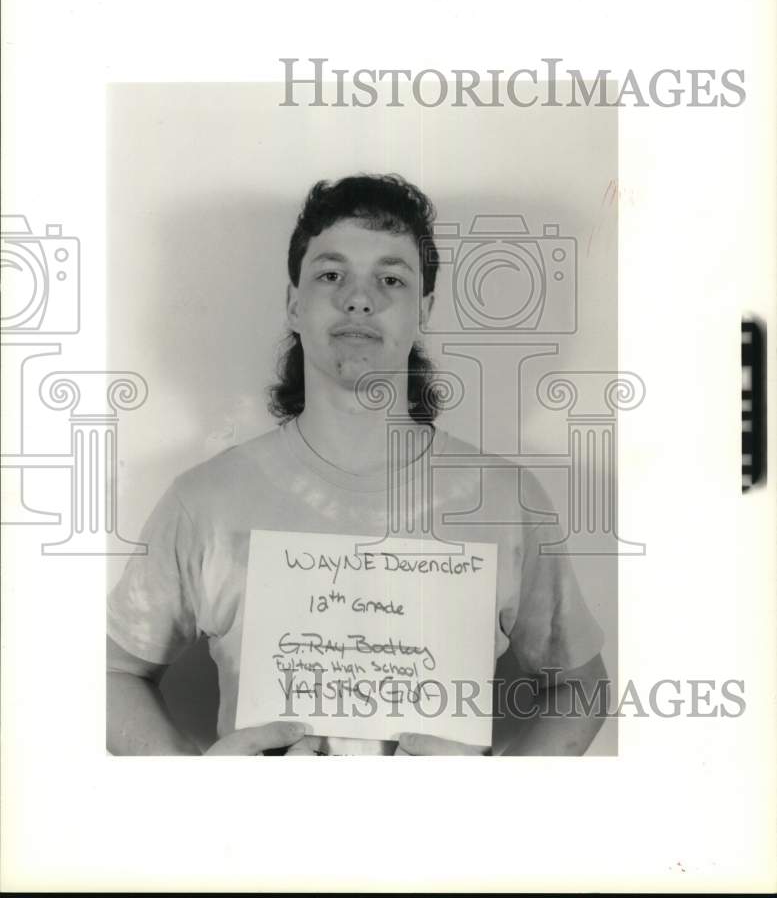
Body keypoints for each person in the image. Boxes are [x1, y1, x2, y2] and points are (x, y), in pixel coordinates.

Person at [107, 174, 608, 756]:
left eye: (391, 278)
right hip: (256, 843)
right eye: (330, 274)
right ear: (295, 304)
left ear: (423, 311)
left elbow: (581, 686)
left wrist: (496, 804)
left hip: (450, 845)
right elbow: (110, 673)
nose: (360, 297)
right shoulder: (203, 501)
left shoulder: (506, 499)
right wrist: (197, 790)